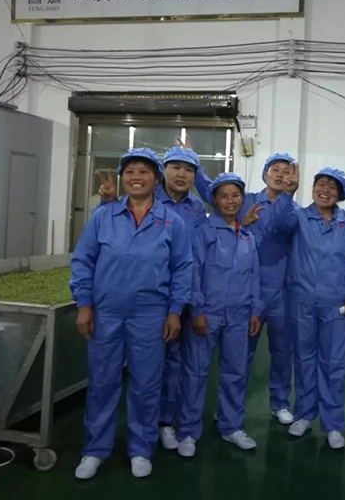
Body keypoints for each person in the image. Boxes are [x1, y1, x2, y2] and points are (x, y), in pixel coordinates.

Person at [70, 147, 193, 480]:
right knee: (102, 383)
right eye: (129, 172)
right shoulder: (104, 217)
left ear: (156, 179)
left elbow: (183, 268)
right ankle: (95, 450)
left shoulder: (172, 221)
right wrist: (84, 305)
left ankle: (141, 449)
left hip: (150, 316)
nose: (136, 177)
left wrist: (174, 311)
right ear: (122, 178)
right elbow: (82, 261)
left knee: (146, 385)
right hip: (106, 313)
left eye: (144, 172)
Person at [96, 146, 207, 451]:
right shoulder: (143, 200)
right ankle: (138, 430)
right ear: (162, 174)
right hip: (151, 301)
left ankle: (169, 423)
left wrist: (188, 304)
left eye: (189, 170)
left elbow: (191, 260)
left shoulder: (196, 209)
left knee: (179, 365)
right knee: (146, 370)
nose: (181, 174)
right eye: (175, 167)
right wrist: (106, 202)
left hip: (184, 296)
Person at [192, 151, 299, 426]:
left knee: (282, 351)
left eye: (286, 171)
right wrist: (195, 161)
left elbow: (282, 226)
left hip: (281, 291)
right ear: (264, 174)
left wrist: (287, 196)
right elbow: (213, 192)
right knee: (240, 356)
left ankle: (279, 402)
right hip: (245, 289)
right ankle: (229, 409)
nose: (280, 175)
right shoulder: (245, 200)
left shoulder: (293, 209)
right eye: (275, 169)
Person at [270, 166, 345, 449]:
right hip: (301, 301)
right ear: (312, 188)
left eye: (332, 187)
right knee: (304, 360)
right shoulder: (299, 217)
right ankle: (304, 414)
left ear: (340, 194)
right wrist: (287, 193)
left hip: (335, 305)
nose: (325, 190)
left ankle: (333, 423)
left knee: (333, 364)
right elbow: (278, 225)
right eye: (320, 184)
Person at [176, 173, 263, 457]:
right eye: (223, 196)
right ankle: (187, 431)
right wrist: (197, 310)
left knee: (236, 372)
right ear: (213, 200)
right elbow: (193, 272)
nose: (230, 201)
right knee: (195, 373)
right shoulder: (202, 232)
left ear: (242, 199)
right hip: (207, 315)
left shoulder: (247, 235)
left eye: (235, 195)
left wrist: (255, 310)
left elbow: (254, 276)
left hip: (239, 315)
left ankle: (231, 426)